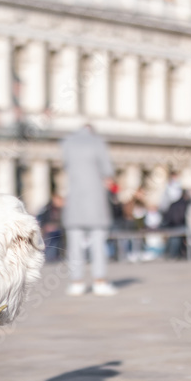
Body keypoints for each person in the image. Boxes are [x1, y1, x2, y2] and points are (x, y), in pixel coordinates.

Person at [61, 125, 116, 296]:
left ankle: (76, 282)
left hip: (75, 198)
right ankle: (99, 281)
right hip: (95, 199)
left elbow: (66, 165)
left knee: (74, 244)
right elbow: (107, 169)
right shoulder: (98, 142)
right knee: (98, 243)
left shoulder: (67, 143)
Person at [36, 193, 64, 263]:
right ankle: (51, 256)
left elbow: (63, 222)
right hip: (48, 230)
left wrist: (56, 226)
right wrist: (46, 226)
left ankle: (54, 256)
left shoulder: (63, 210)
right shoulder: (48, 209)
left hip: (60, 229)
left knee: (56, 234)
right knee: (52, 236)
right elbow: (42, 220)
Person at [164, 190, 191, 259]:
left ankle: (172, 255)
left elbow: (168, 216)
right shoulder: (185, 203)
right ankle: (175, 255)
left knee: (174, 241)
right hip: (180, 225)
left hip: (172, 225)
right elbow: (182, 216)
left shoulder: (174, 204)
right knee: (178, 241)